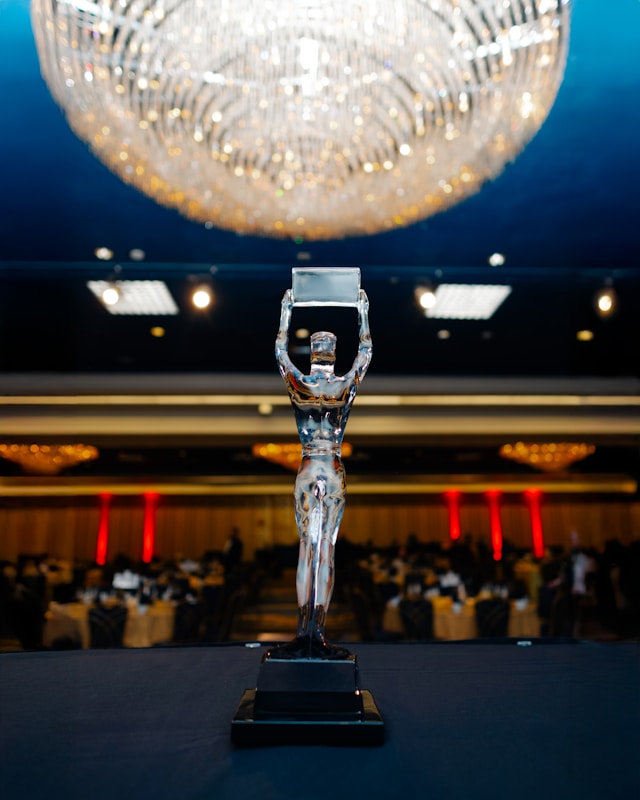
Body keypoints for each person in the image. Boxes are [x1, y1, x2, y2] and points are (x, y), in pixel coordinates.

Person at [271, 287, 372, 658]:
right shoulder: (342, 387)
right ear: (331, 353)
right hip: (330, 466)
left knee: (309, 548)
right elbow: (365, 353)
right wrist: (362, 311)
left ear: (314, 353)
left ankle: (307, 632)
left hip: (310, 464)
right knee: (324, 548)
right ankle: (315, 632)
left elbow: (280, 351)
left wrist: (286, 311)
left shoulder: (301, 385)